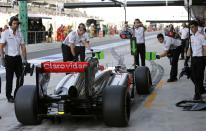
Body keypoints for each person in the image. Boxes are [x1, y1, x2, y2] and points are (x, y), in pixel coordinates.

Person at [0, 16, 27, 103]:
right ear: (11, 24)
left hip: (18, 58)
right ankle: (9, 96)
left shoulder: (20, 33)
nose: (16, 25)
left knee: (20, 78)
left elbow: (23, 47)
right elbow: (1, 46)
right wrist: (2, 58)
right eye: (14, 24)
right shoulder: (5, 33)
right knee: (9, 79)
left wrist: (24, 59)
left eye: (17, 24)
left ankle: (17, 94)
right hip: (9, 59)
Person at [185, 20, 206, 100]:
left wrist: (204, 58)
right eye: (190, 27)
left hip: (200, 59)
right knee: (192, 75)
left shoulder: (202, 36)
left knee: (199, 77)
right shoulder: (191, 37)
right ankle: (201, 89)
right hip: (193, 59)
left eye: (193, 27)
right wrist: (186, 59)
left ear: (196, 27)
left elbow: (204, 48)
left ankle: (197, 94)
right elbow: (190, 49)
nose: (192, 29)